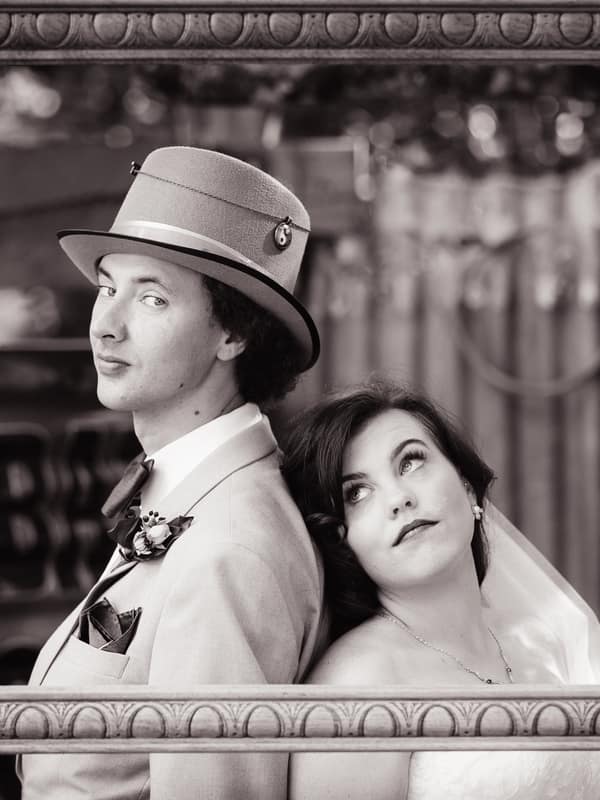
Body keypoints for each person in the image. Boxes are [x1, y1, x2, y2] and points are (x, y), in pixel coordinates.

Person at [19, 146, 324, 799]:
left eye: (152, 298)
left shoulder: (229, 550)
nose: (107, 325)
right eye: (108, 288)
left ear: (232, 335)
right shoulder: (190, 494)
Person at [282, 379, 600, 800]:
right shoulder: (357, 685)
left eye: (410, 463)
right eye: (357, 493)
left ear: (467, 485)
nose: (398, 498)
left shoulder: (536, 638)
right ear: (344, 539)